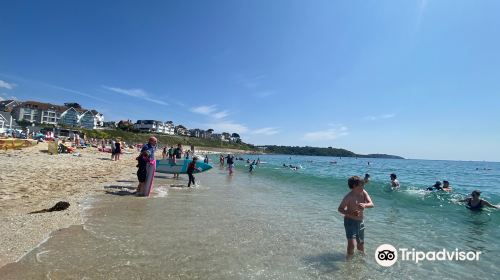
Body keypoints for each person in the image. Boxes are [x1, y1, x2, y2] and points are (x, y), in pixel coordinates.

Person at [338, 176, 374, 259]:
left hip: (360, 221)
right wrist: (351, 213)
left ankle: (361, 259)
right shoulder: (349, 197)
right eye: (361, 185)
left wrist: (365, 205)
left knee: (361, 243)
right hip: (350, 221)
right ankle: (349, 260)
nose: (363, 187)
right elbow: (340, 209)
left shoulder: (364, 192)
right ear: (354, 186)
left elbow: (371, 204)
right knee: (351, 244)